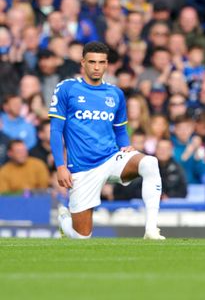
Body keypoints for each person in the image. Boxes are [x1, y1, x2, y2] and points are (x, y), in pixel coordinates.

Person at [49, 42, 165, 240]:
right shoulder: (67, 89)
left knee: (149, 163)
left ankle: (151, 230)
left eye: (101, 62)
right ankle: (64, 222)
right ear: (83, 63)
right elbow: (55, 129)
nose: (96, 67)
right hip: (82, 167)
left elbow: (120, 130)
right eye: (92, 62)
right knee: (82, 237)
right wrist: (60, 166)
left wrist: (125, 145)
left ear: (107, 64)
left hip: (111, 158)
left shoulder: (115, 94)